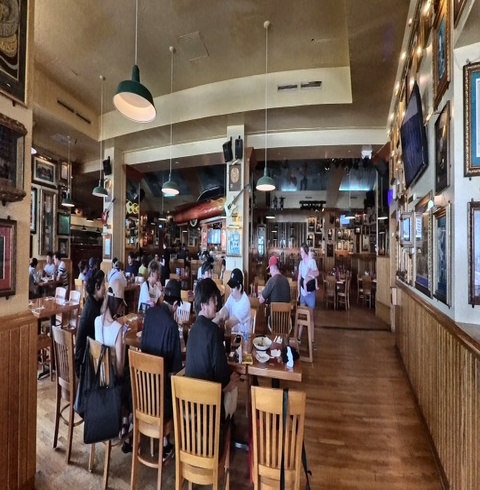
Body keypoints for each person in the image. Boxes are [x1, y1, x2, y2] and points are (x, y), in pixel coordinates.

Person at [140, 279, 183, 462]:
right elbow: (175, 370)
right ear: (175, 304)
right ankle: (168, 442)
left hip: (142, 391)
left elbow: (143, 346)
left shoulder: (149, 314)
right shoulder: (172, 326)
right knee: (173, 383)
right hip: (160, 399)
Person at [186, 278, 239, 422]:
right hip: (209, 408)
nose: (216, 303)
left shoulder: (192, 330)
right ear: (203, 305)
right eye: (213, 300)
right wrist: (229, 383)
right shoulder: (214, 331)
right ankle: (226, 429)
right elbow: (222, 376)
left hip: (190, 402)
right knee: (234, 384)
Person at [74, 270, 105, 377]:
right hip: (85, 364)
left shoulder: (91, 301)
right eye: (103, 284)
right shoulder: (92, 309)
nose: (105, 288)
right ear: (97, 286)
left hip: (84, 357)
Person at [217, 268, 251, 335]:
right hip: (233, 334)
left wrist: (216, 323)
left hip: (242, 337)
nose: (231, 290)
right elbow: (223, 311)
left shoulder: (245, 303)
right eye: (230, 286)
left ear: (240, 287)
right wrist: (213, 320)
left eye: (233, 287)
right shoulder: (232, 297)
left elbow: (229, 323)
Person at [297, 243, 319, 341]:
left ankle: (312, 340)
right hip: (302, 292)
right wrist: (298, 292)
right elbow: (299, 279)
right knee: (302, 315)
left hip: (310, 293)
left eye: (301, 251)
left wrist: (310, 274)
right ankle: (298, 338)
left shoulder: (312, 261)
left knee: (311, 317)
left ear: (306, 252)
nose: (300, 253)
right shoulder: (301, 263)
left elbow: (317, 272)